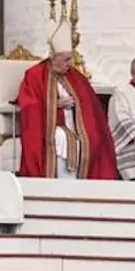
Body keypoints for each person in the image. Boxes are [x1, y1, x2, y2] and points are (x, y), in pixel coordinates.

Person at [15, 20, 119, 180]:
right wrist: (54, 105)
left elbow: (90, 104)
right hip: (48, 125)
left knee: (94, 138)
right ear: (54, 58)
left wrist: (78, 107)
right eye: (66, 59)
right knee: (63, 137)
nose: (70, 64)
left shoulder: (75, 76)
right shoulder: (35, 75)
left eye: (70, 59)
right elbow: (28, 105)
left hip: (77, 125)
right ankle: (62, 183)